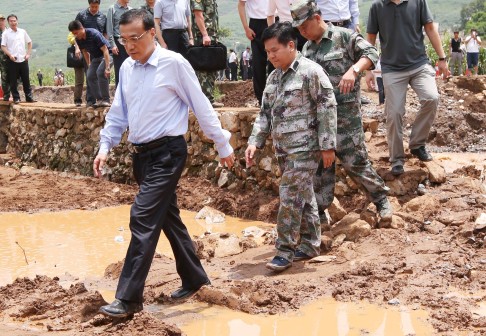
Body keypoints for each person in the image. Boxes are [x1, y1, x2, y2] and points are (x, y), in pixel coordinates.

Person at [95, 9, 235, 318]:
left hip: (168, 154)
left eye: (136, 38)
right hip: (141, 156)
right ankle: (195, 278)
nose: (129, 45)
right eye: (124, 39)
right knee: (167, 217)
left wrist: (221, 142)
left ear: (151, 34)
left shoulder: (174, 64)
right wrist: (105, 146)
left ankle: (128, 298)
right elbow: (118, 113)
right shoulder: (128, 69)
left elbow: (201, 104)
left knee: (142, 216)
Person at [291, 0, 393, 225]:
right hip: (320, 121)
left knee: (355, 163)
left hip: (346, 117)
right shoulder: (307, 49)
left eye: (304, 26)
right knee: (320, 170)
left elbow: (371, 52)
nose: (302, 32)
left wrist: (354, 70)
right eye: (298, 29)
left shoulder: (344, 36)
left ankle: (381, 200)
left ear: (317, 18)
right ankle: (318, 215)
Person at [245, 21, 337, 272]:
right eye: (267, 52)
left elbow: (327, 108)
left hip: (306, 149)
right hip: (283, 150)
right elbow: (264, 114)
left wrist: (327, 146)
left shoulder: (311, 72)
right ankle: (309, 244)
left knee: (289, 196)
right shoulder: (273, 78)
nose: (271, 56)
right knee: (303, 196)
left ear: (291, 45)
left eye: (275, 50)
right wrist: (255, 141)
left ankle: (284, 250)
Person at [366, 0, 448, 176]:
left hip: (419, 64)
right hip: (392, 69)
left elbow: (430, 28)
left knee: (431, 98)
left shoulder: (418, 2)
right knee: (394, 113)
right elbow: (371, 39)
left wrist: (442, 58)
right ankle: (396, 159)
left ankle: (417, 144)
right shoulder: (377, 7)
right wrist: (369, 69)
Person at [68, 20, 112, 108]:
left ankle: (106, 99)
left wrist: (107, 67)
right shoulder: (79, 40)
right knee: (90, 75)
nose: (76, 36)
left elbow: (105, 49)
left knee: (100, 72)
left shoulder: (93, 34)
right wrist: (89, 65)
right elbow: (85, 52)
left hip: (107, 55)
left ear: (81, 29)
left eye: (76, 33)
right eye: (74, 34)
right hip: (96, 58)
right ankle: (99, 100)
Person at [75, 0, 108, 107]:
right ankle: (90, 100)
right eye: (92, 6)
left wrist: (106, 46)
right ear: (89, 4)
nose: (94, 8)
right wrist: (77, 47)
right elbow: (75, 33)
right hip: (88, 49)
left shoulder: (103, 17)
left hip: (101, 49)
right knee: (89, 73)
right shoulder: (81, 15)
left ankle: (103, 99)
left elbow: (105, 33)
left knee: (100, 73)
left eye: (96, 6)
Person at [191, 0, 224, 108]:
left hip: (212, 36)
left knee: (211, 68)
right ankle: (204, 102)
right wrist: (205, 34)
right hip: (203, 37)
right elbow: (198, 14)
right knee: (203, 69)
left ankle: (208, 99)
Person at [238, 0, 270, 106]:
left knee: (276, 62)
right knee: (258, 63)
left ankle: (277, 95)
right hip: (257, 24)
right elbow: (241, 4)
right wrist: (246, 28)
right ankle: (261, 99)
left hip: (275, 19)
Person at [0, 14, 36, 104]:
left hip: (23, 59)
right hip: (12, 60)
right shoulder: (6, 33)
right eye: (11, 21)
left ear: (17, 21)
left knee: (26, 80)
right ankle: (16, 98)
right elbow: (3, 46)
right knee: (13, 80)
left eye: (14, 20)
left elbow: (29, 42)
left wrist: (28, 54)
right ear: (8, 22)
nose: (13, 22)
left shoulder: (22, 31)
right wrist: (10, 55)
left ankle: (29, 97)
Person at [107, 0, 131, 87]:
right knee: (120, 69)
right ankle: (119, 94)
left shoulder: (131, 10)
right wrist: (112, 44)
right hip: (118, 42)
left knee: (131, 67)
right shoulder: (112, 9)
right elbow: (109, 29)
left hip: (130, 41)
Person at [0, 14, 11, 101]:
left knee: (5, 77)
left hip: (5, 59)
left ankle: (6, 95)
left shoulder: (9, 32)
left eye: (2, 20)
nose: (1, 22)